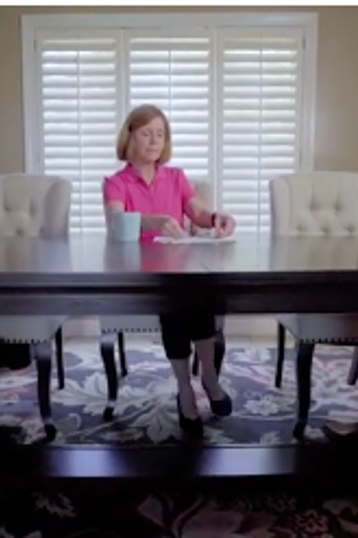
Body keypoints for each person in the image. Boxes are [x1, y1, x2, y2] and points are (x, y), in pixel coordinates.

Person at [102, 104, 236, 434]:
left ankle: (208, 376)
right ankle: (185, 389)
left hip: (181, 268)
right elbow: (115, 221)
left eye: (160, 134)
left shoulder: (176, 177)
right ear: (129, 136)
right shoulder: (117, 183)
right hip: (140, 272)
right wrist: (154, 221)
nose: (154, 140)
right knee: (175, 304)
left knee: (199, 295)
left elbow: (199, 212)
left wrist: (218, 217)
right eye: (146, 133)